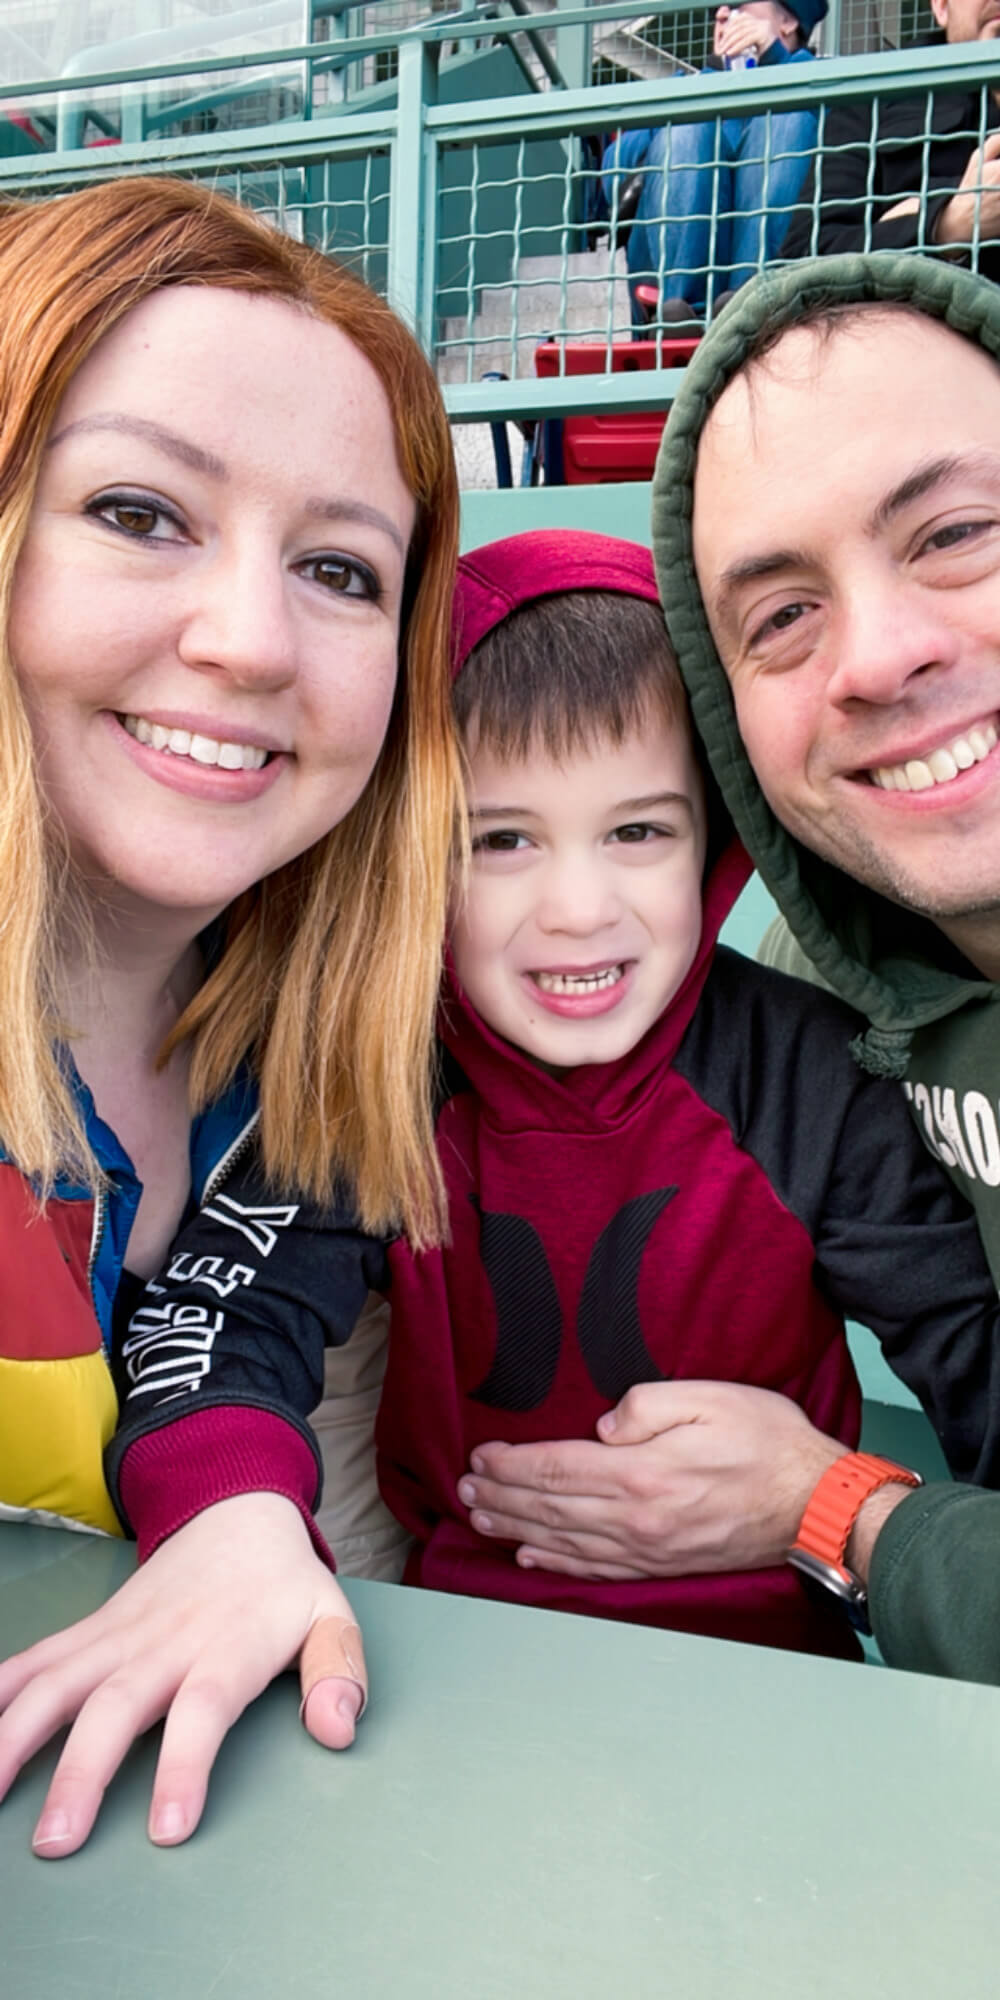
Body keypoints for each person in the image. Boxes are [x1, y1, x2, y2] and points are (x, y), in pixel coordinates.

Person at [91, 533, 1000, 1678]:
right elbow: (224, 1322)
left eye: (638, 830)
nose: (579, 909)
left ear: (712, 845)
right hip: (454, 1658)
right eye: (500, 840)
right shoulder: (382, 1074)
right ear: (412, 855)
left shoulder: (812, 1081)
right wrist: (225, 1515)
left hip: (782, 1668)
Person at [0, 175, 461, 1853]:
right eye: (139, 511)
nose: (252, 640)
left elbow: (230, 1329)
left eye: (342, 568)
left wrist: (238, 1519)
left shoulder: (315, 1062)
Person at [642, 249, 1000, 1702]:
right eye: (779, 616)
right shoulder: (824, 998)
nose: (878, 657)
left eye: (955, 533)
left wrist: (840, 1512)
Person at [782, 0, 1000, 348]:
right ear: (941, 6)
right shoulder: (874, 92)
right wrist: (947, 223)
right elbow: (805, 257)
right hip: (915, 339)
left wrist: (913, 213)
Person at [602, 1, 826, 328]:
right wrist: (704, 86)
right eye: (717, 8)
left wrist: (775, 61)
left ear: (788, 21)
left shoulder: (824, 81)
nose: (722, 13)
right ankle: (683, 315)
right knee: (686, 124)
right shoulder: (683, 87)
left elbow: (845, 149)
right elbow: (611, 176)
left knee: (788, 118)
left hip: (783, 294)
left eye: (739, 4)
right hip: (669, 297)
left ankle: (754, 302)